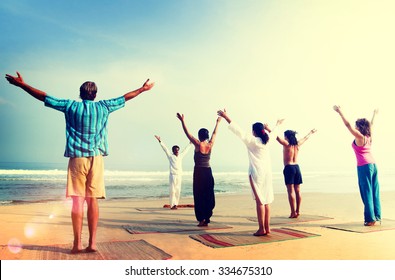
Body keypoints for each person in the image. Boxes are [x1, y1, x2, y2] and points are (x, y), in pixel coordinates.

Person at [5, 71, 154, 253]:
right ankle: (92, 243)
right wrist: (142, 89)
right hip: (96, 159)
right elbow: (124, 98)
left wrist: (22, 85)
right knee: (92, 201)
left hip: (77, 159)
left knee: (77, 202)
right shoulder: (104, 107)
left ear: (80, 93)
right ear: (95, 94)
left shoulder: (70, 106)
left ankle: (77, 244)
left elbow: (44, 97)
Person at [217, 109, 282, 236]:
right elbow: (274, 133)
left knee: (260, 201)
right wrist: (278, 124)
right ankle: (267, 228)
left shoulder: (251, 140)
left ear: (254, 131)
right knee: (267, 201)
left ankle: (261, 229)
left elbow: (238, 130)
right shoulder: (267, 140)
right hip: (268, 173)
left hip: (256, 173)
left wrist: (225, 116)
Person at [333, 105, 381, 226]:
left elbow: (347, 125)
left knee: (367, 191)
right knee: (374, 191)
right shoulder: (368, 137)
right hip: (373, 165)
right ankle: (377, 216)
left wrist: (340, 112)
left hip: (364, 166)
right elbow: (372, 124)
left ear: (359, 127)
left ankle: (370, 219)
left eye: (356, 126)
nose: (354, 127)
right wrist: (374, 114)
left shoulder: (359, 137)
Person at [176, 113, 221, 226]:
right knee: (208, 194)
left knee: (199, 195)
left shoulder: (197, 144)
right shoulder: (210, 144)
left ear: (200, 136)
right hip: (208, 172)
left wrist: (182, 121)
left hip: (199, 173)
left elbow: (187, 133)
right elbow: (215, 133)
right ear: (207, 136)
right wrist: (218, 123)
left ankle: (201, 219)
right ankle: (207, 217)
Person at [276, 127, 317, 218]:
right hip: (296, 167)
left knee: (290, 191)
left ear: (286, 136)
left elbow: (277, 137)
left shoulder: (287, 144)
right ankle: (297, 211)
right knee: (297, 190)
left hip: (289, 168)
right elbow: (305, 138)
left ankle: (292, 212)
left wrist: (268, 129)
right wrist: (311, 132)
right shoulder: (297, 145)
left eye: (285, 136)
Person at [154, 135, 192, 209]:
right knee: (172, 191)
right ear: (173, 151)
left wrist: (190, 144)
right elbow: (165, 149)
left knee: (178, 191)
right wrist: (160, 141)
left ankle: (176, 204)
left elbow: (185, 150)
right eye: (175, 150)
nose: (177, 151)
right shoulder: (170, 156)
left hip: (179, 175)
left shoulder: (180, 156)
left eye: (178, 150)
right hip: (173, 175)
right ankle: (172, 205)